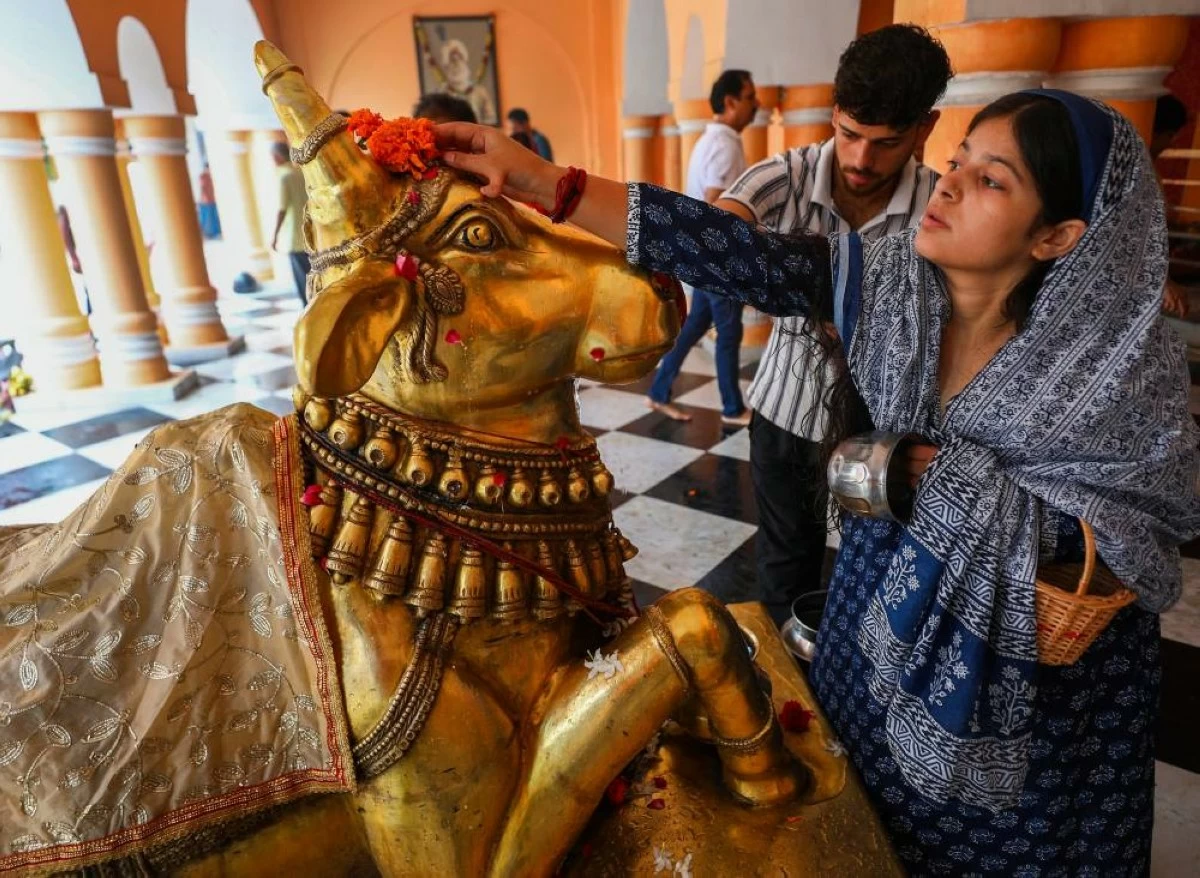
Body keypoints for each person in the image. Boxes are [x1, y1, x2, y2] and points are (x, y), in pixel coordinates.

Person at [436, 86, 1200, 875]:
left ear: (1057, 235)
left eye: (992, 180)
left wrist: (944, 485)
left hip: (1039, 694)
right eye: (960, 160)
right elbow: (723, 249)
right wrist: (540, 183)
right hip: (873, 623)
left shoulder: (1112, 372)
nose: (951, 183)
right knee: (863, 823)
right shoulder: (893, 285)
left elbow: (1134, 549)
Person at [718, 24, 951, 623]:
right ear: (833, 113)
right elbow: (720, 226)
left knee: (877, 578)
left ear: (925, 129)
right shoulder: (789, 176)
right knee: (783, 570)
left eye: (887, 142)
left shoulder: (940, 207)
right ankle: (787, 698)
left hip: (886, 431)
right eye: (849, 134)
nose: (860, 160)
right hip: (786, 414)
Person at [646, 69, 759, 426]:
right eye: (750, 97)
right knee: (729, 333)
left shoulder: (710, 140)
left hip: (701, 255)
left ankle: (659, 392)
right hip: (716, 258)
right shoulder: (724, 145)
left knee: (697, 325)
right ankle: (732, 409)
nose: (756, 105)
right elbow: (714, 203)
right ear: (730, 102)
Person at [1151, 94, 1191, 319]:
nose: (1171, 143)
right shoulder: (1133, 171)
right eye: (1170, 136)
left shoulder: (1148, 169)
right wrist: (1160, 278)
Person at [269, 140, 309, 305]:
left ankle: (309, 313)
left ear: (276, 157)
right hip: (310, 233)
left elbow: (282, 209)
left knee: (302, 281)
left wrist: (275, 235)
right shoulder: (301, 172)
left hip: (294, 237)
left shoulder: (284, 177)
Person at [197, 163, 221, 239]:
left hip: (211, 199)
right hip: (206, 200)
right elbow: (202, 188)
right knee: (207, 217)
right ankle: (209, 233)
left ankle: (214, 232)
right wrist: (202, 199)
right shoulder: (203, 176)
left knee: (213, 216)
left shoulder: (210, 176)